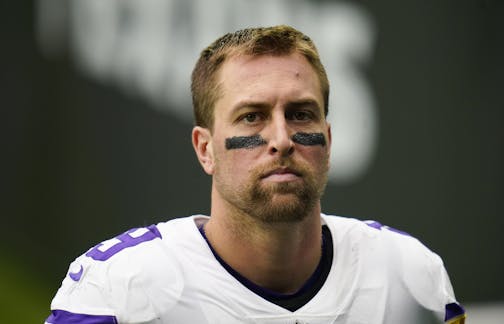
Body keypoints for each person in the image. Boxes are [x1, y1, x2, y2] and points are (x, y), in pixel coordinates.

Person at [45, 25, 465, 324]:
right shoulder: (119, 291)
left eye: (301, 114)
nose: (282, 138)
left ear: (329, 140)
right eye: (252, 117)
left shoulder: (409, 275)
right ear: (205, 149)